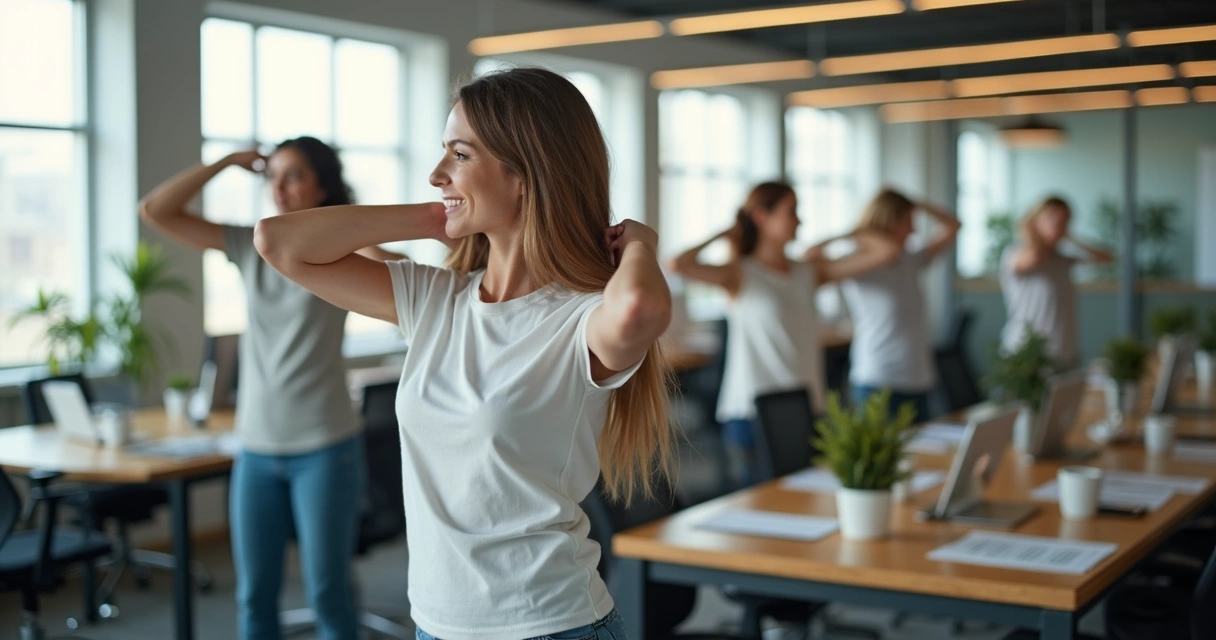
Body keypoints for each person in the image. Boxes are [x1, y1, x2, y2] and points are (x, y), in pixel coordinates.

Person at [252, 68, 675, 640]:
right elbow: (277, 243)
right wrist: (435, 215)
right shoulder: (435, 299)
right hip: (436, 625)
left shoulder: (580, 317)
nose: (436, 174)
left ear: (525, 173)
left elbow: (641, 310)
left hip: (550, 625)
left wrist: (642, 245)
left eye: (458, 155)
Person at [139, 136, 403, 640]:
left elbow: (392, 264)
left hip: (325, 448)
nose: (278, 188)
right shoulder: (249, 243)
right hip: (256, 450)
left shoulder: (340, 246)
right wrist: (225, 162)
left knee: (328, 592)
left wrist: (342, 220)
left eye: (294, 175)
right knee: (253, 596)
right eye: (271, 176)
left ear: (321, 185)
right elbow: (155, 210)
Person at [670, 182, 904, 486]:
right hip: (751, 412)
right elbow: (678, 264)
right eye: (791, 211)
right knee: (753, 510)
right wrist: (727, 231)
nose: (800, 220)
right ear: (761, 216)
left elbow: (887, 250)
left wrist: (840, 235)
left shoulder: (810, 270)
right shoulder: (740, 272)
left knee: (804, 501)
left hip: (806, 409)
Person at [806, 188, 961, 423]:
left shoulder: (910, 260)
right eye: (908, 221)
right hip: (878, 379)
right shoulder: (859, 262)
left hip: (919, 377)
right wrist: (850, 234)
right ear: (889, 221)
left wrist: (918, 203)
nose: (914, 230)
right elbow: (811, 257)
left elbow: (954, 225)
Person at [1000, 196, 1113, 367]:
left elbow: (1106, 257)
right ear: (1035, 220)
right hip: (1026, 352)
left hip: (1063, 352)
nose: (1058, 225)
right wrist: (1032, 231)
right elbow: (1036, 258)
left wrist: (1070, 237)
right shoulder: (1015, 255)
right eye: (1052, 218)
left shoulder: (1062, 260)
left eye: (1064, 220)